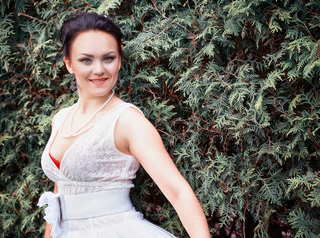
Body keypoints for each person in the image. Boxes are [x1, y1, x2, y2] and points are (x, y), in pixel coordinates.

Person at [38, 12, 210, 238]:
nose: (99, 69)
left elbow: (178, 192)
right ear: (69, 64)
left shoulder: (128, 122)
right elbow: (60, 187)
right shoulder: (60, 118)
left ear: (119, 61)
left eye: (108, 58)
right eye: (86, 60)